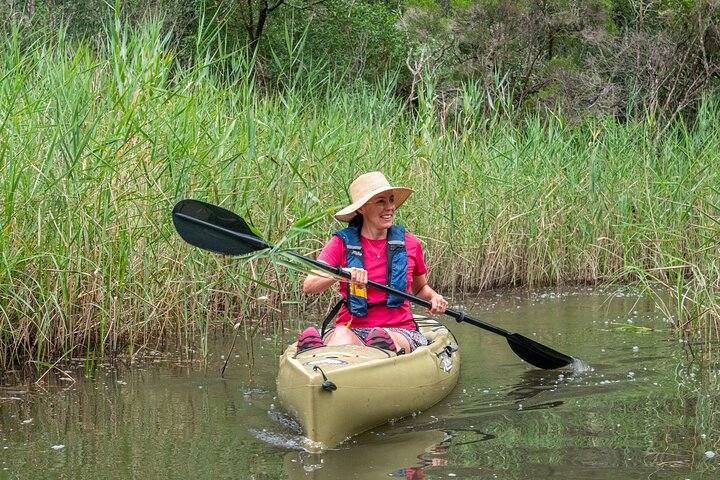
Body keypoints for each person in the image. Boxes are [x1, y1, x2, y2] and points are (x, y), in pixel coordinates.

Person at [297, 171, 449, 354]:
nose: (390, 207)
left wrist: (434, 298)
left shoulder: (410, 244)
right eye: (381, 201)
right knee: (341, 335)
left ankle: (373, 351)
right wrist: (343, 274)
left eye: (391, 200)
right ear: (362, 208)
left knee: (382, 338)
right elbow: (309, 285)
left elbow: (419, 289)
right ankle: (320, 353)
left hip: (399, 330)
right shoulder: (340, 243)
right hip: (353, 328)